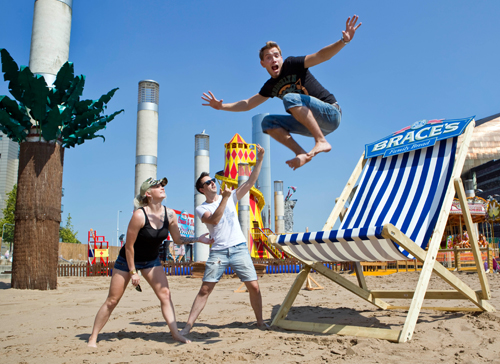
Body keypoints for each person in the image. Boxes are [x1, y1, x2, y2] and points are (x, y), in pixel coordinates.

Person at [202, 15, 361, 170]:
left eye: (276, 56)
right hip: (313, 124)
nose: (274, 60)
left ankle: (320, 141)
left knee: (289, 98)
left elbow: (320, 56)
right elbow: (248, 104)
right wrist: (221, 107)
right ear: (262, 63)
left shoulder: (293, 64)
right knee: (267, 122)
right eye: (268, 58)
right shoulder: (270, 86)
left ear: (282, 58)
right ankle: (301, 153)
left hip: (330, 113)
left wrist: (343, 41)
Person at [88, 177, 213, 347]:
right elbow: (129, 246)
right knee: (112, 300)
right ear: (148, 194)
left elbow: (177, 239)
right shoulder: (139, 215)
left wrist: (198, 239)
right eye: (157, 186)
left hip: (151, 260)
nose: (162, 187)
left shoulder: (170, 214)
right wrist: (133, 272)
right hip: (127, 261)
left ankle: (175, 333)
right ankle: (93, 337)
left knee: (165, 295)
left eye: (162, 185)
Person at [180, 144, 267, 335]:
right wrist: (225, 199)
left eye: (212, 180)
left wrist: (259, 160)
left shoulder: (229, 195)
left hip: (239, 247)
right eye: (208, 182)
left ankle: (260, 322)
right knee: (205, 289)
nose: (213, 183)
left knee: (254, 285)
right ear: (202, 189)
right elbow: (214, 219)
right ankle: (188, 326)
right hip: (219, 251)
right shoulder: (202, 208)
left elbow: (250, 182)